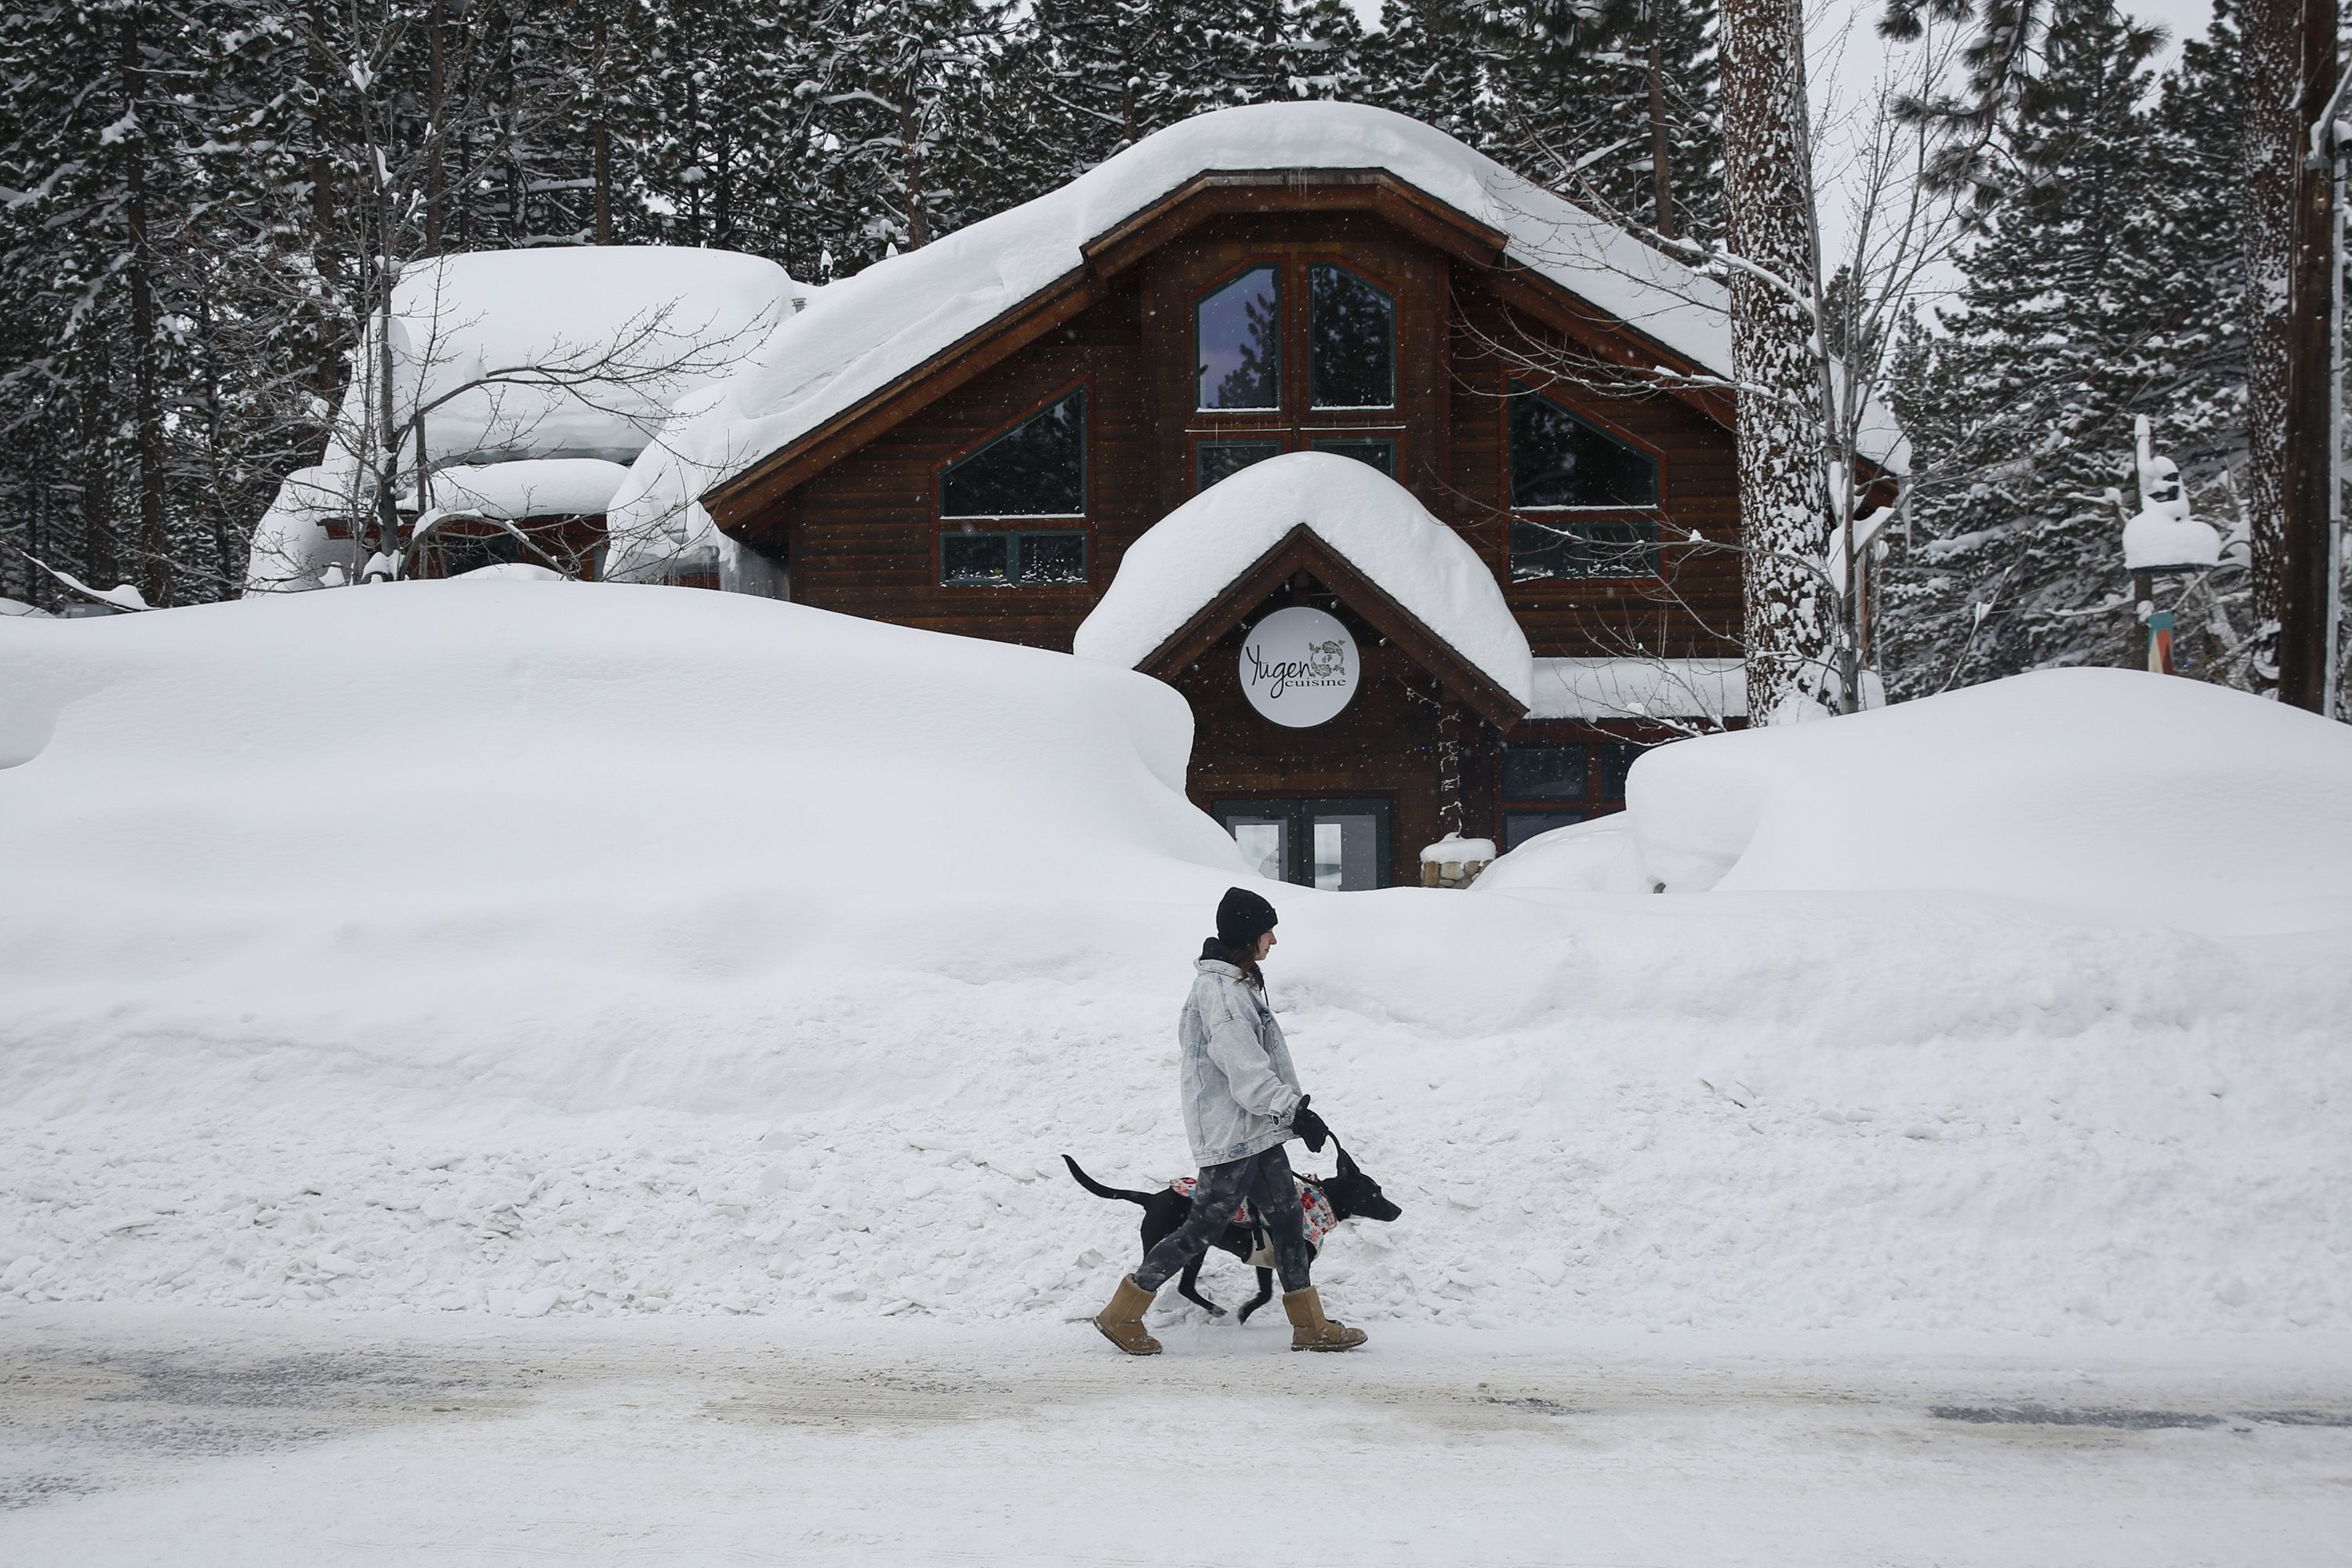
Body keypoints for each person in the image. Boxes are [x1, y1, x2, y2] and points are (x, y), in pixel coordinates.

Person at [1092, 887, 1367, 1356]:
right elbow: (1243, 1067)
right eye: (1267, 930)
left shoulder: (1235, 984)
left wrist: (1289, 1113)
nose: (1274, 940)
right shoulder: (1220, 993)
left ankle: (1309, 1325)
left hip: (1257, 1130)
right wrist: (1293, 1110)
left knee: (1288, 1218)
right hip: (1235, 1134)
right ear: (1247, 935)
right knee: (1202, 1227)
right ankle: (1122, 1313)